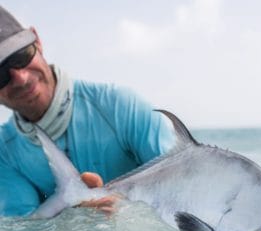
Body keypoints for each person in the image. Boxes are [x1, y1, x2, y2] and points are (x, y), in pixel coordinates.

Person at [0, 6, 176, 217]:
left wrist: (127, 213)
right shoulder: (5, 154)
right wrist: (75, 220)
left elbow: (181, 189)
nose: (21, 78)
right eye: (1, 74)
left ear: (37, 41)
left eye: (21, 56)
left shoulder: (121, 107)